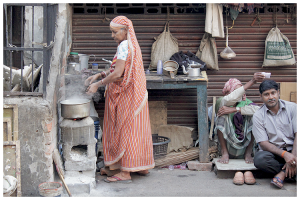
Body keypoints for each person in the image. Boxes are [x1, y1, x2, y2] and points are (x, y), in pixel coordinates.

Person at [85, 16, 155, 183]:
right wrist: (100, 74)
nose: (112, 35)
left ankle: (125, 172)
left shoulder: (124, 46)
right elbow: (119, 69)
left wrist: (98, 85)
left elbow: (117, 74)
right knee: (137, 131)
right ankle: (141, 167)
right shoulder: (131, 45)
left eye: (114, 32)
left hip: (127, 97)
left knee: (125, 131)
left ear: (125, 31)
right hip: (136, 96)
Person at [214, 73, 264, 185]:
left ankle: (248, 153)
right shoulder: (222, 101)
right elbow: (230, 99)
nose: (242, 93)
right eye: (238, 91)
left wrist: (236, 109)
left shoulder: (246, 102)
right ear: (230, 91)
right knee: (222, 116)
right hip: (228, 145)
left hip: (244, 145)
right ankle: (224, 152)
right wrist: (252, 81)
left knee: (255, 117)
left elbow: (259, 111)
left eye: (242, 90)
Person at [252, 80, 297, 189]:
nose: (271, 97)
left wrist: (293, 157)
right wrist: (285, 155)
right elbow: (263, 143)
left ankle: (282, 174)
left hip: (295, 150)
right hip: (276, 154)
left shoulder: (292, 108)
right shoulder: (258, 116)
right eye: (266, 94)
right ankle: (292, 173)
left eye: (273, 93)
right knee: (259, 159)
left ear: (278, 93)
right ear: (261, 97)